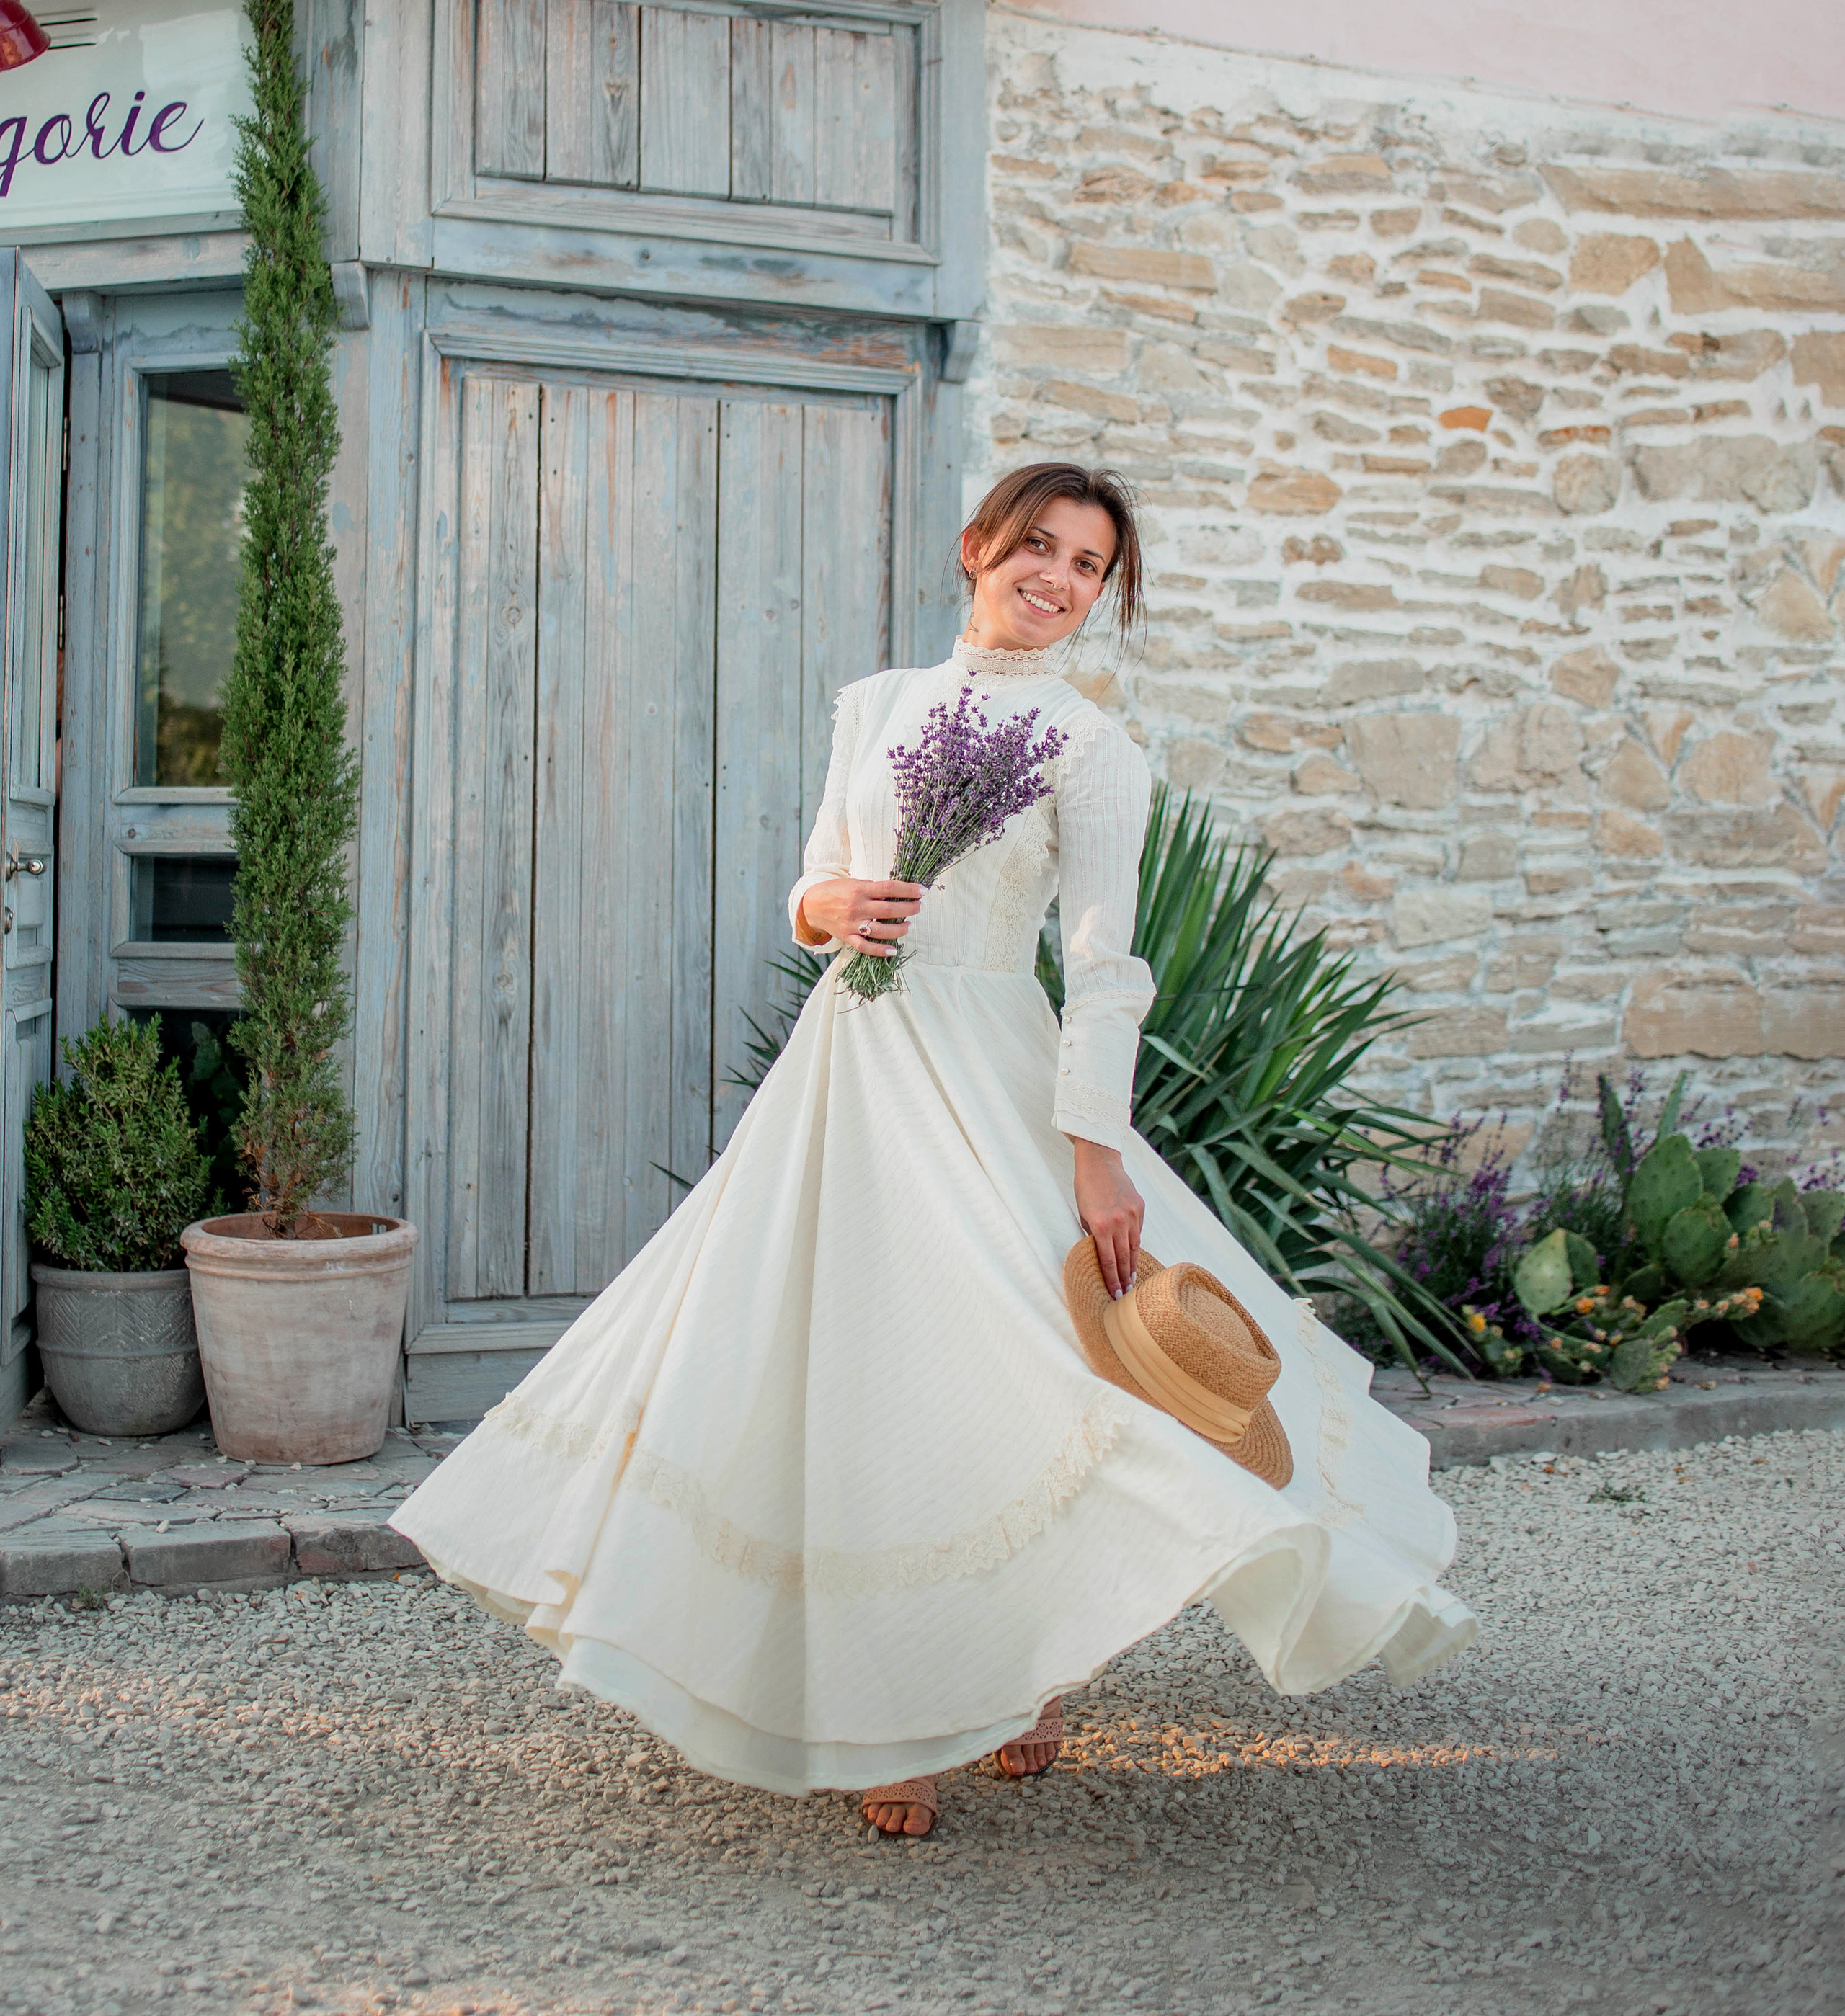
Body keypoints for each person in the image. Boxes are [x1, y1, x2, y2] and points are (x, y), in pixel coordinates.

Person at [393, 462, 1475, 1840]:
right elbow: (813, 881)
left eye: (1090, 566)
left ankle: (1018, 1675)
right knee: (854, 1372)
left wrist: (1097, 1157)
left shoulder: (1093, 750)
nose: (1060, 579)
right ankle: (880, 1713)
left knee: (1017, 1372)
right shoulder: (879, 704)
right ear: (978, 550)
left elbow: (1104, 967)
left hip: (993, 1073)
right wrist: (826, 901)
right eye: (1040, 546)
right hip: (851, 1069)